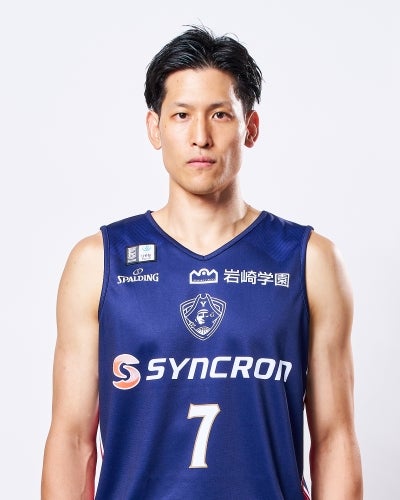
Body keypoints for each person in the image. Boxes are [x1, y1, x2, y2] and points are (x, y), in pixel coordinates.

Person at [41, 26, 363, 499]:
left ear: (250, 127)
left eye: (220, 114)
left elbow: (334, 438)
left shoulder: (310, 260)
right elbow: (72, 441)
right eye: (181, 115)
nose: (200, 137)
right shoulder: (99, 262)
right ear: (155, 128)